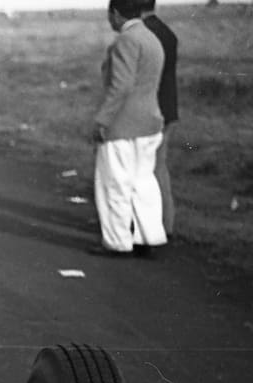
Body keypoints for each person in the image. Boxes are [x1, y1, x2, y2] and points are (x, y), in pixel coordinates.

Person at [89, 0, 167, 258]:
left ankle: (118, 242)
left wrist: (103, 119)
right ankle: (149, 237)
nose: (109, 20)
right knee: (144, 181)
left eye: (110, 14)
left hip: (123, 125)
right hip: (151, 123)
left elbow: (120, 87)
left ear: (117, 14)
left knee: (115, 185)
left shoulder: (125, 41)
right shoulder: (152, 39)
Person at [139, 0, 178, 239]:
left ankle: (152, 226)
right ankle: (166, 223)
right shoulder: (168, 33)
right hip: (169, 107)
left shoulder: (143, 34)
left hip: (151, 109)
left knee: (145, 169)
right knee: (159, 166)